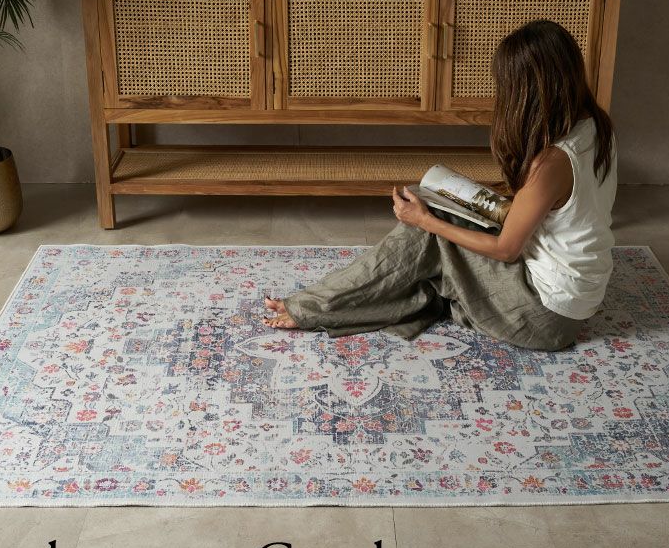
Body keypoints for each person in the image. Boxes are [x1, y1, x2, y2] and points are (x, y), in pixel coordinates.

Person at [261, 19, 618, 351]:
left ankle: (312, 307)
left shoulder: (552, 163)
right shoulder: (595, 126)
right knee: (429, 216)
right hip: (572, 304)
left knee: (426, 228)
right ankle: (337, 302)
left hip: (543, 316)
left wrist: (426, 222)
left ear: (529, 91)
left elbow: (506, 250)